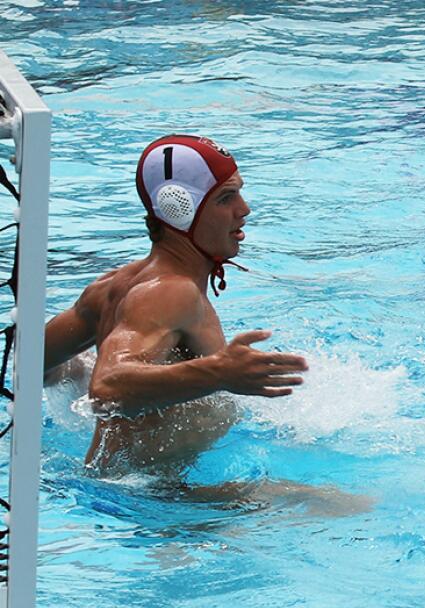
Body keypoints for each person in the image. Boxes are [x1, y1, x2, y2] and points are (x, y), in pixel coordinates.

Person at [43, 134, 309, 472]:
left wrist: (76, 372)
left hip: (118, 489)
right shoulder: (170, 293)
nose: (244, 209)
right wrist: (218, 373)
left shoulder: (110, 288)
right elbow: (107, 389)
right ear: (179, 210)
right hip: (157, 502)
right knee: (342, 506)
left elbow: (33, 359)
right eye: (226, 198)